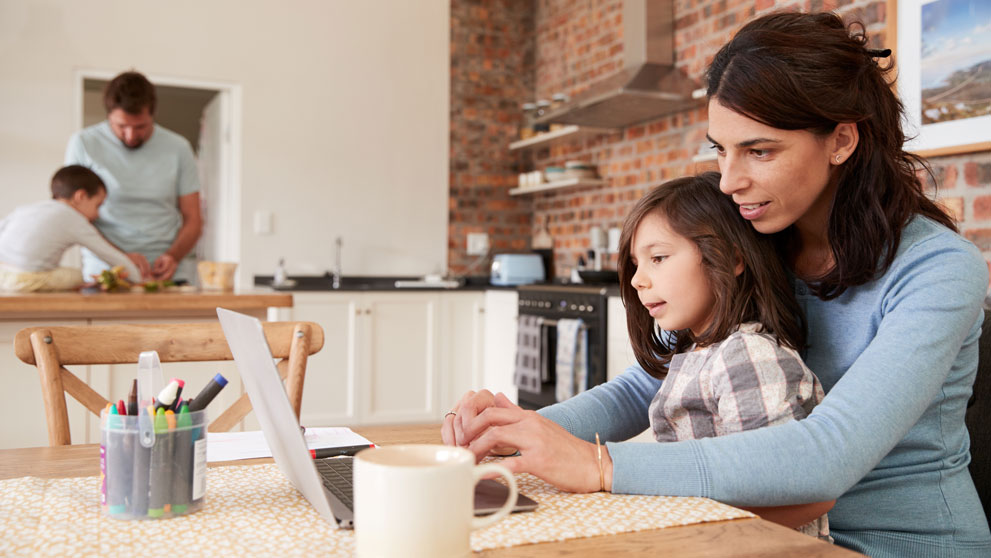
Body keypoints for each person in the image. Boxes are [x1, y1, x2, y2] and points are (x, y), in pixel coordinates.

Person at [443, 11, 991, 557]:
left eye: (760, 151)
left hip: (892, 545)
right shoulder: (758, 235)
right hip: (749, 527)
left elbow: (829, 453)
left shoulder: (937, 269)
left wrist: (598, 464)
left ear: (842, 139)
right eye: (720, 149)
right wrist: (516, 434)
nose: (730, 180)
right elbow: (653, 382)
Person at [65, 70, 202, 282]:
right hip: (105, 271)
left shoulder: (179, 147)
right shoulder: (84, 143)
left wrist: (173, 256)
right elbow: (73, 215)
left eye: (140, 127)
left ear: (152, 115)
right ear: (109, 115)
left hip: (167, 274)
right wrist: (119, 257)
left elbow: (193, 218)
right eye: (121, 126)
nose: (130, 135)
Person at [0, 165, 141, 292]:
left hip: (3, 274)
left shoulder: (29, 209)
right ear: (81, 196)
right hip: (26, 280)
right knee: (80, 275)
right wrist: (139, 281)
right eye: (98, 205)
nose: (97, 214)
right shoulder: (73, 218)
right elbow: (109, 254)